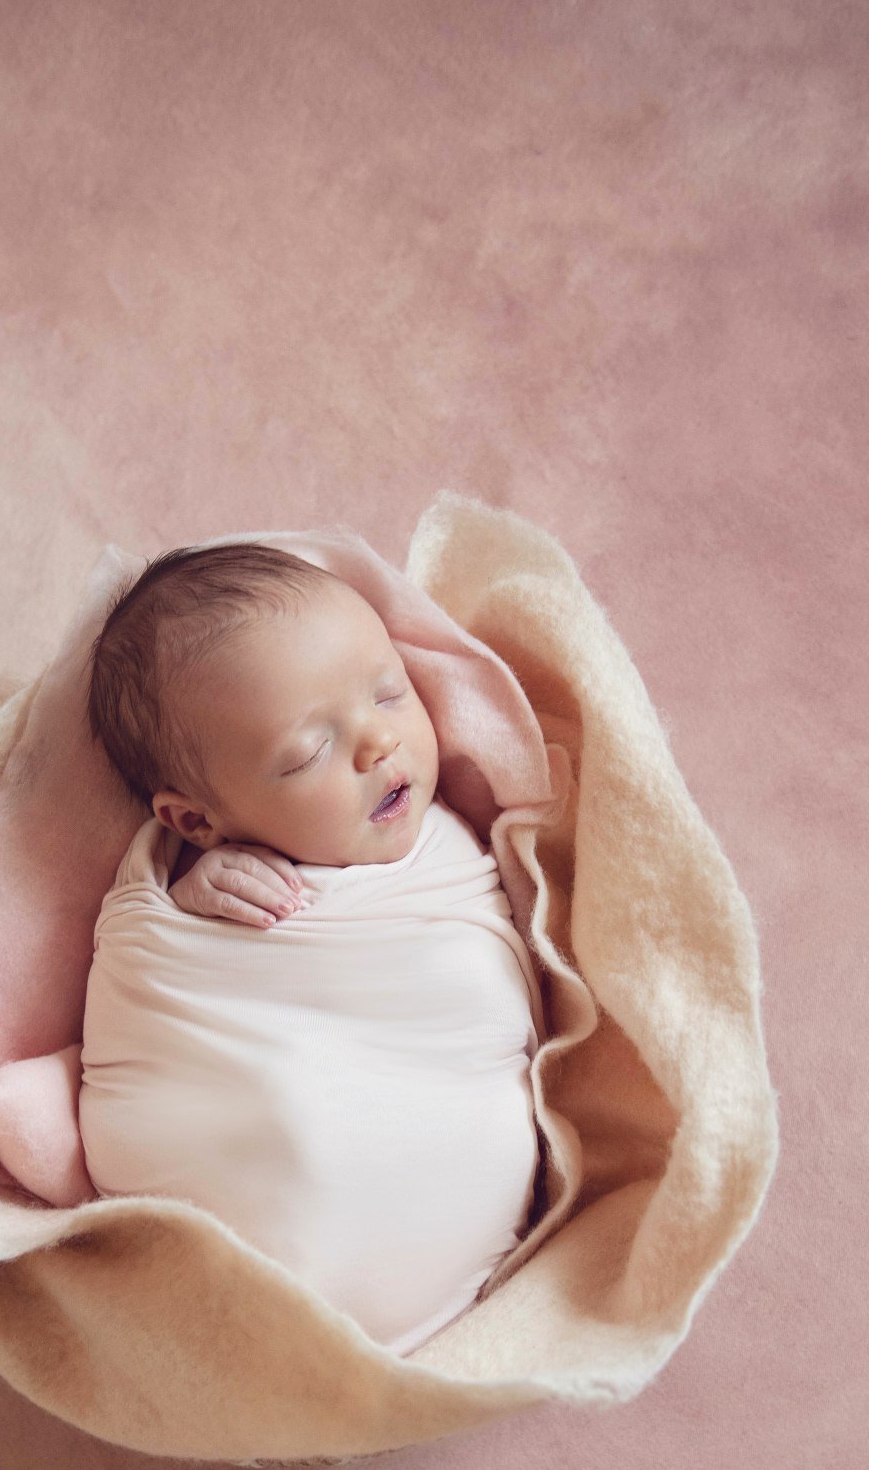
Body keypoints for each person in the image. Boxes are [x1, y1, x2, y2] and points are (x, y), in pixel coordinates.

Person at [81, 541, 543, 1356]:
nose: (377, 743)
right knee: (297, 1133)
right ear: (193, 821)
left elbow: (490, 976)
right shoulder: (198, 880)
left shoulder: (448, 845)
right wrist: (188, 893)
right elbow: (149, 959)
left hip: (434, 1155)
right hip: (253, 1161)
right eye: (308, 752)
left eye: (389, 692)